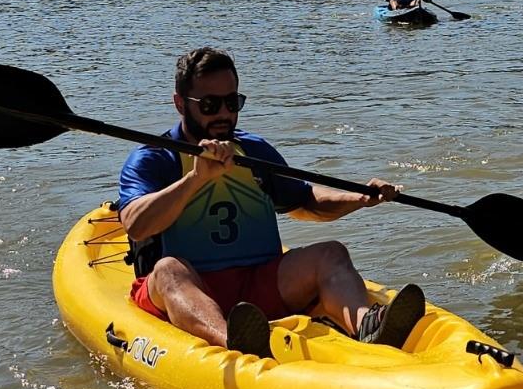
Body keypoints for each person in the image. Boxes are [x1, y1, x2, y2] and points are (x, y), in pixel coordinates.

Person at [117, 47, 425, 360]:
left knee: (331, 253)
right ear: (180, 103)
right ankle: (234, 341)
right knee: (168, 269)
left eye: (232, 102)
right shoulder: (155, 159)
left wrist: (359, 198)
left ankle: (367, 326)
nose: (223, 113)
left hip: (257, 282)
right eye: (210, 104)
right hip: (188, 289)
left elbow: (305, 201)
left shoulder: (254, 151)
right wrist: (196, 179)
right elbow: (135, 224)